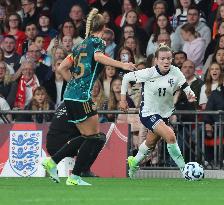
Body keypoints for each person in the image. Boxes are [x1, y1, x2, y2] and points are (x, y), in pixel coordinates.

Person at [42, 8, 135, 186]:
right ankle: (74, 176)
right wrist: (123, 64)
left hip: (70, 96)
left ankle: (53, 162)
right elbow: (99, 57)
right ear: (103, 27)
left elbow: (61, 68)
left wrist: (74, 84)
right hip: (82, 97)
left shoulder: (79, 45)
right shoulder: (97, 42)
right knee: (93, 137)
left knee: (89, 136)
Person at [119, 44, 196, 178]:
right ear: (156, 60)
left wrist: (190, 93)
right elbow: (126, 78)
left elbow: (184, 85)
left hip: (164, 114)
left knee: (150, 144)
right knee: (170, 136)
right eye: (162, 59)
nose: (166, 61)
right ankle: (185, 171)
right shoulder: (148, 73)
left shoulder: (175, 71)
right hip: (148, 113)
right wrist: (122, 99)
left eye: (168, 58)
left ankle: (134, 162)